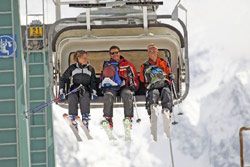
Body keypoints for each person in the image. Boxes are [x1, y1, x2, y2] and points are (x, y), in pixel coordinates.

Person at [100, 45, 139, 129]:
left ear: (119, 53)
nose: (115, 55)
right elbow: (102, 77)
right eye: (112, 53)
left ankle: (128, 118)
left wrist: (134, 86)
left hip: (124, 87)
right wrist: (102, 86)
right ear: (110, 55)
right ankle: (108, 119)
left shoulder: (127, 64)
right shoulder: (107, 65)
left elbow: (134, 76)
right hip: (112, 87)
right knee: (108, 95)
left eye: (116, 52)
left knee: (128, 94)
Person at [59, 50, 97, 129]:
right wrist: (61, 91)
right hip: (75, 88)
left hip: (85, 88)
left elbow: (93, 82)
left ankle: (85, 117)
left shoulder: (90, 69)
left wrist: (94, 92)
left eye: (86, 57)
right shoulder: (72, 68)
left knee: (85, 96)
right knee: (72, 96)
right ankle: (73, 117)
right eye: (84, 58)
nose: (86, 59)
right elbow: (63, 79)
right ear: (78, 58)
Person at [139, 43, 175, 121]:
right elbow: (142, 79)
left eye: (154, 51)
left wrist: (171, 76)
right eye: (150, 51)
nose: (152, 53)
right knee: (153, 93)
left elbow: (168, 74)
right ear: (148, 53)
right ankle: (152, 113)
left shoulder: (163, 63)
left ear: (157, 51)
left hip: (163, 84)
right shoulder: (144, 66)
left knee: (166, 91)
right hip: (152, 86)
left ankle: (167, 111)